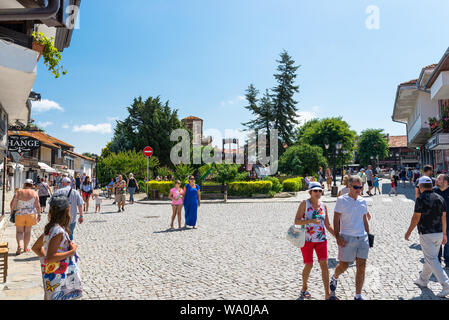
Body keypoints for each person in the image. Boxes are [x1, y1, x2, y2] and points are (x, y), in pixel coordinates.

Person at [405, 176, 449, 297]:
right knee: (431, 258)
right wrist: (444, 234)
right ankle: (423, 280)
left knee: (432, 259)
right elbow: (444, 217)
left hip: (426, 234)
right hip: (439, 233)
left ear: (421, 186)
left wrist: (408, 232)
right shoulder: (440, 198)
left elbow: (416, 217)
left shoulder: (421, 198)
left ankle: (446, 285)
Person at [31, 195, 81, 300]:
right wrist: (72, 251)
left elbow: (36, 248)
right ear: (67, 210)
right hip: (59, 278)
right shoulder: (59, 231)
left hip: (52, 274)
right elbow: (51, 257)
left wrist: (46, 261)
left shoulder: (50, 228)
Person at [330, 175, 371, 300]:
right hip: (346, 238)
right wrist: (337, 237)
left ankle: (358, 295)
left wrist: (369, 237)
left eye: (360, 187)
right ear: (349, 186)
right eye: (356, 187)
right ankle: (335, 277)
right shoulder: (341, 200)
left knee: (361, 266)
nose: (358, 189)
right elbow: (336, 220)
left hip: (362, 238)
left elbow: (365, 220)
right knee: (344, 265)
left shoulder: (363, 201)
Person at [294, 182, 336, 300]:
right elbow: (296, 221)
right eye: (315, 191)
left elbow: (327, 224)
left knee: (324, 264)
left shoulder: (324, 206)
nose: (318, 193)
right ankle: (304, 288)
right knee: (309, 264)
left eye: (319, 191)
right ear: (310, 192)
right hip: (307, 239)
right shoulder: (304, 204)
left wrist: (337, 236)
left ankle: (327, 294)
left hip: (321, 239)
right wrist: (310, 221)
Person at [10, 179, 41, 255]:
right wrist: (39, 214)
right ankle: (25, 247)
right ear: (31, 185)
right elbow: (37, 205)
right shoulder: (34, 193)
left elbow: (13, 203)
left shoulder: (19, 192)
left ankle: (19, 245)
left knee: (19, 231)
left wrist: (12, 211)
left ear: (24, 184)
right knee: (27, 231)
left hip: (20, 213)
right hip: (30, 214)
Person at [434, 174, 449, 268]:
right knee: (437, 244)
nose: (436, 180)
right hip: (436, 223)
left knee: (448, 245)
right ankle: (437, 262)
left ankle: (448, 262)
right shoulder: (433, 191)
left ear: (446, 182)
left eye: (439, 179)